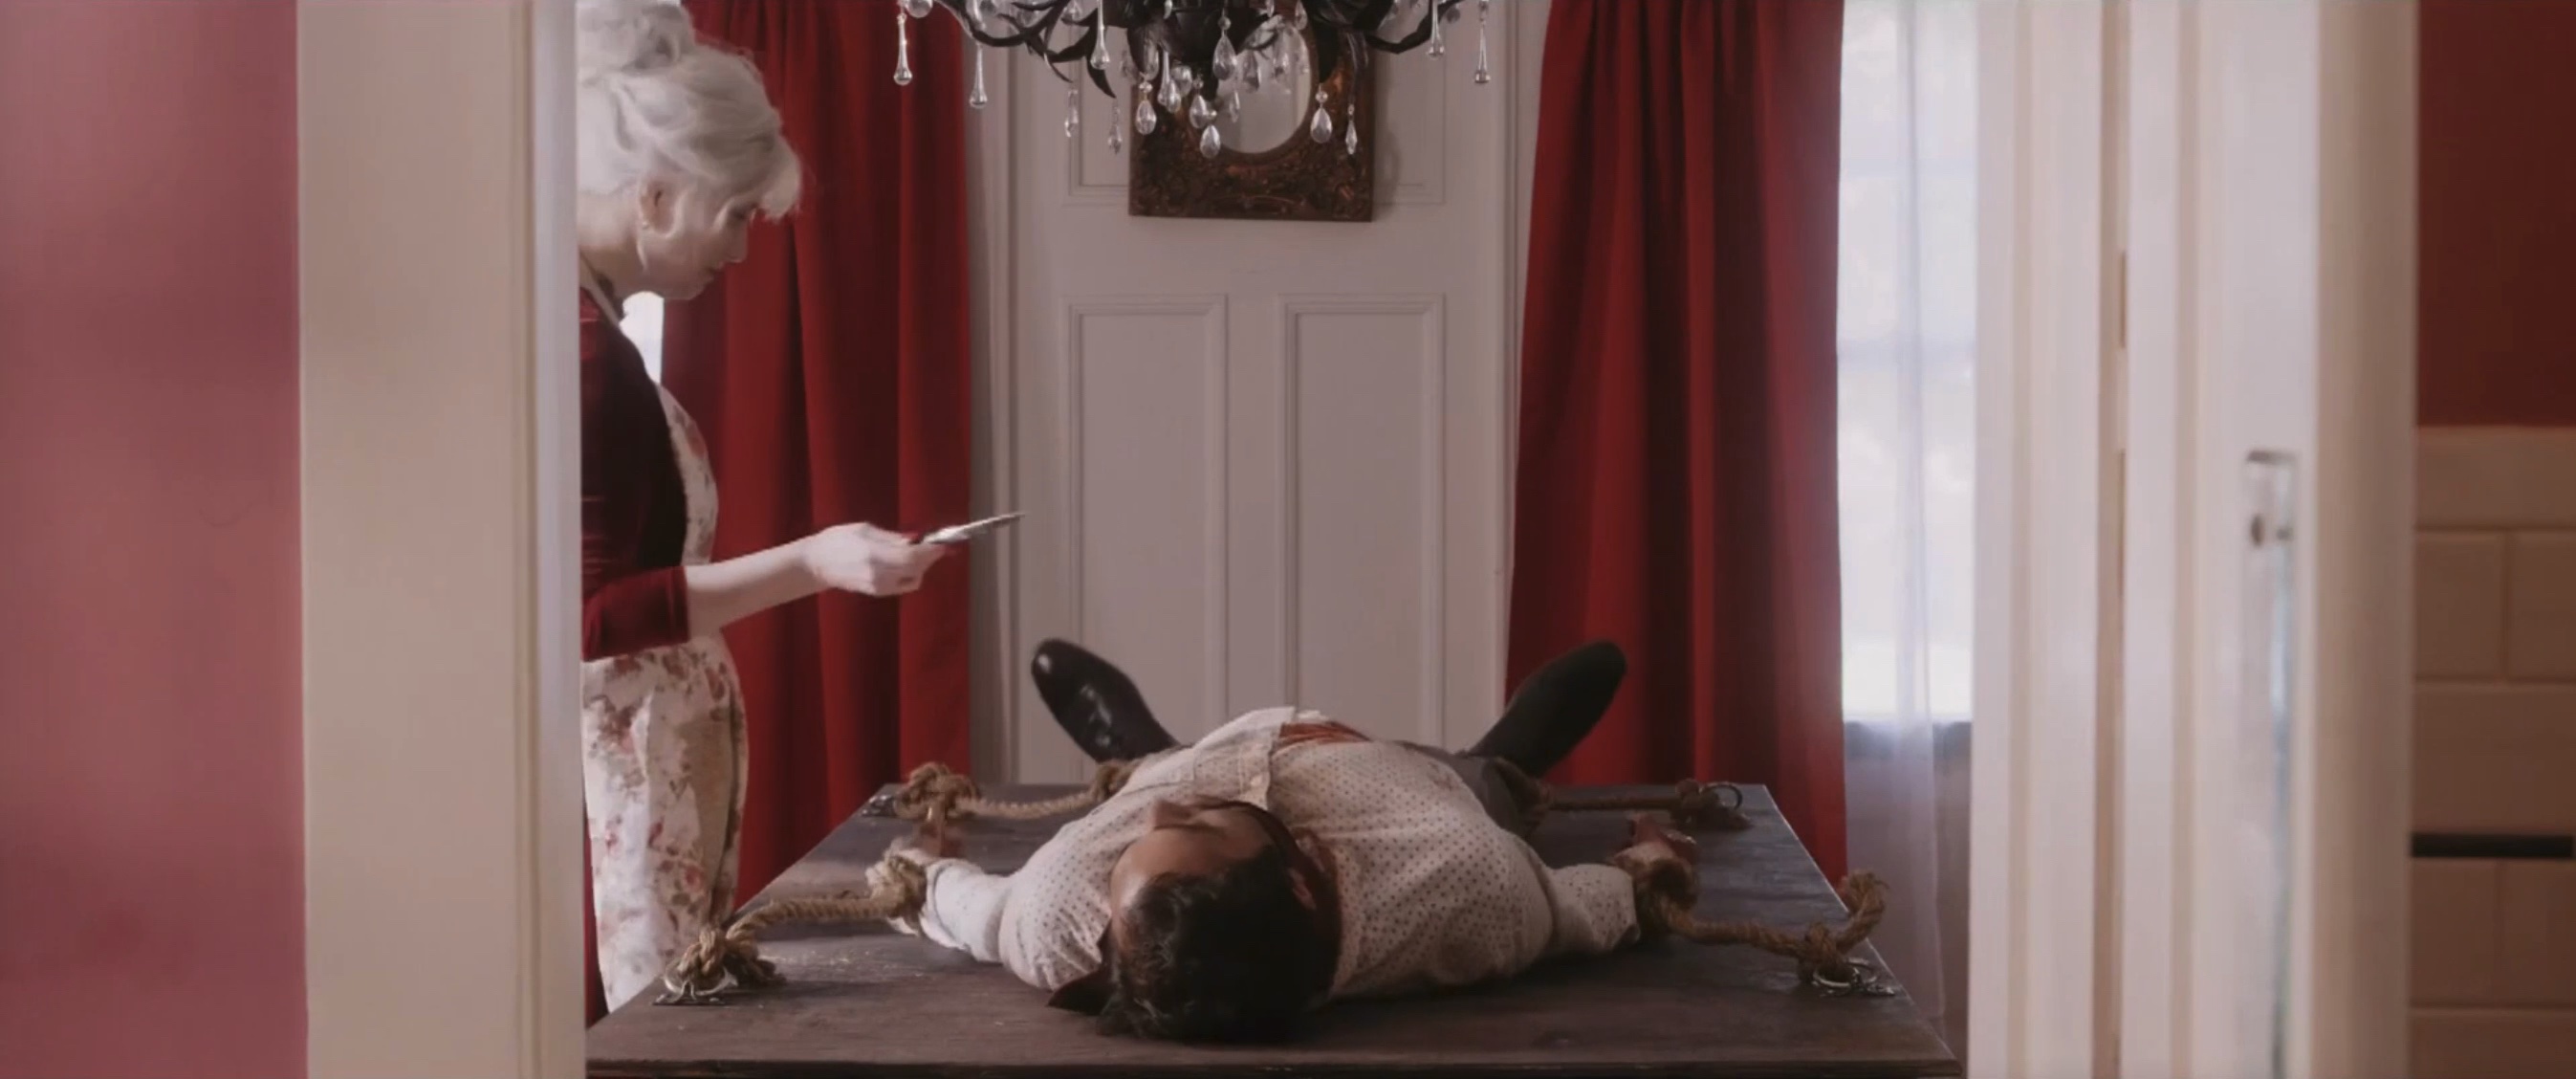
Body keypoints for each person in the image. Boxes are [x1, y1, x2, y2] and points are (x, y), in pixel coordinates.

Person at [573, 0, 950, 1017]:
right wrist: (814, 561)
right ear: (656, 195)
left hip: (664, 749)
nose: (742, 251)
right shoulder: (587, 360)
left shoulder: (592, 326)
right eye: (736, 214)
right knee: (656, 1027)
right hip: (626, 767)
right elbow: (589, 621)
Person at [889, 639, 1701, 1044]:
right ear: (1302, 880)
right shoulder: (1468, 878)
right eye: (1197, 827)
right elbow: (1572, 909)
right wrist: (1649, 870)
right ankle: (1508, 755)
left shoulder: (1059, 912)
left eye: (1149, 839)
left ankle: (1140, 751)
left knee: (1158, 775)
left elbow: (975, 910)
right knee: (1490, 781)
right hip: (1402, 778)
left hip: (1201, 760)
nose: (1159, 818)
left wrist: (917, 874)